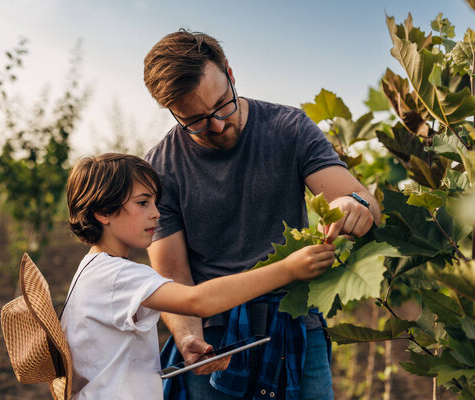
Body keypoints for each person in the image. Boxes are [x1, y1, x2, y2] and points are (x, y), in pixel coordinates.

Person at [143, 30, 382, 399]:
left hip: (294, 319)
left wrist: (353, 206)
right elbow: (172, 273)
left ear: (231, 73)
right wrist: (189, 335)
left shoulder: (289, 128)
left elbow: (359, 200)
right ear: (172, 111)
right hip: (213, 335)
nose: (218, 125)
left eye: (222, 104)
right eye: (197, 120)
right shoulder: (160, 168)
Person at [61, 153, 336, 399]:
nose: (156, 214)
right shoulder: (116, 275)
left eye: (155, 202)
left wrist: (188, 341)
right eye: (143, 203)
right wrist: (287, 270)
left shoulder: (92, 269)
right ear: (103, 212)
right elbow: (198, 301)